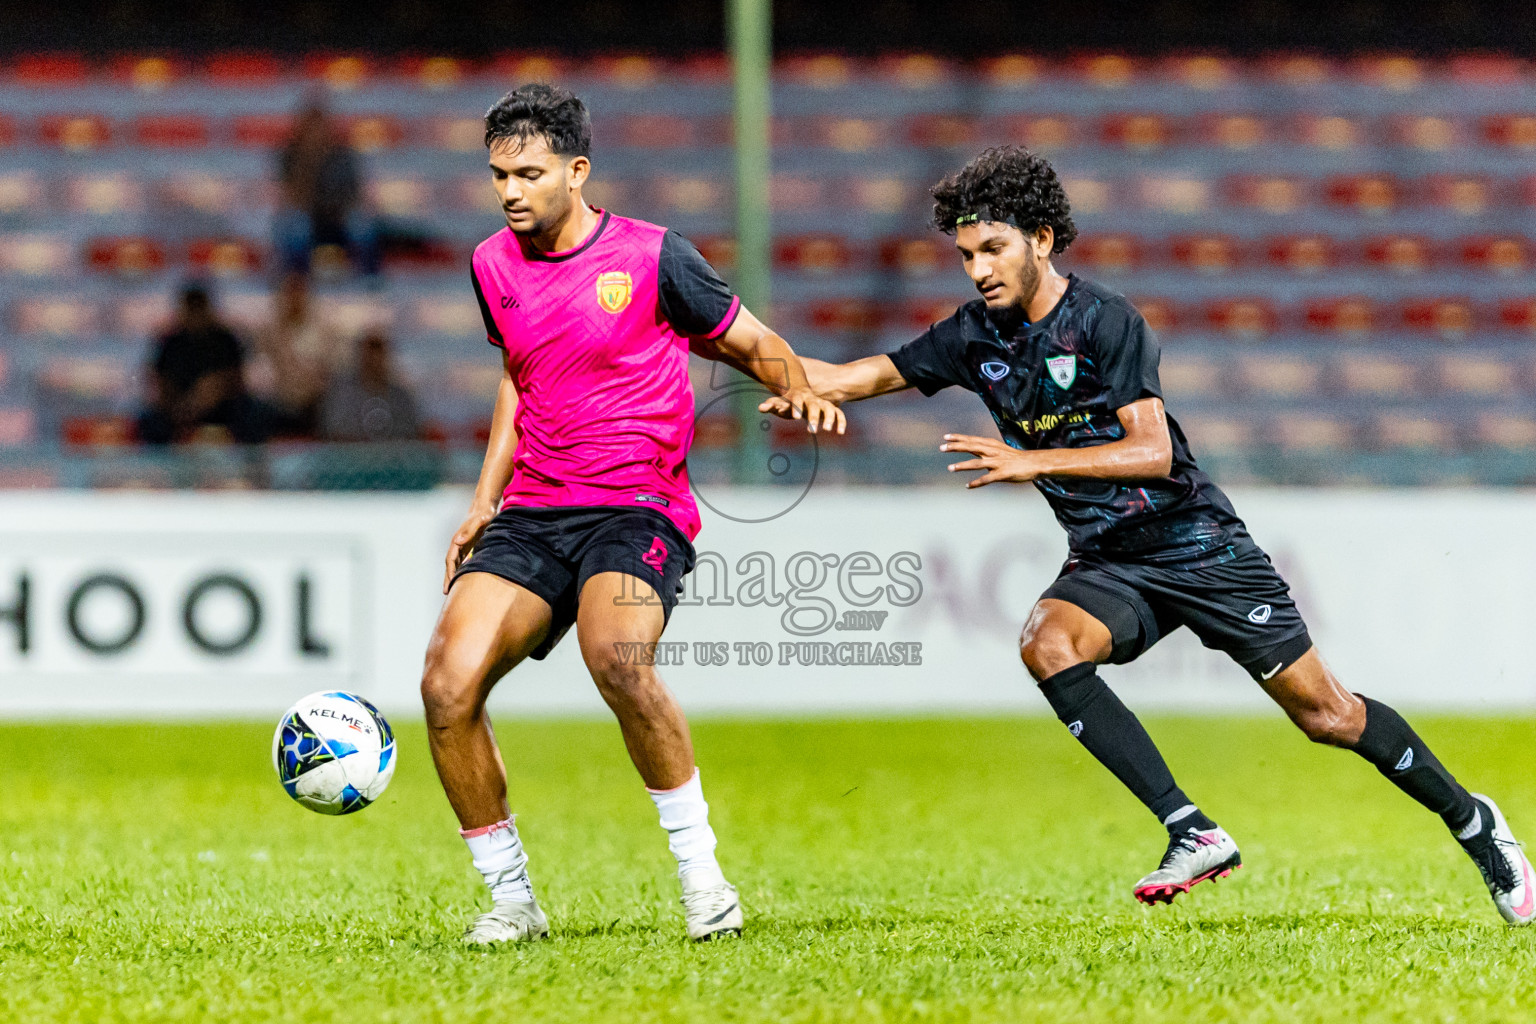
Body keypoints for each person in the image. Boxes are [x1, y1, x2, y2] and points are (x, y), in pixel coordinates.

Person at [801, 146, 1533, 924]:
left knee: (1328, 716)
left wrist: (1031, 461)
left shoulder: (1105, 320)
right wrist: (730, 351)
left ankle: (1473, 820)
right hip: (1112, 562)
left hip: (1197, 545)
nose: (978, 270)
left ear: (1042, 239)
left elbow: (1151, 452)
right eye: (966, 255)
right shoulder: (973, 338)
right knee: (1048, 643)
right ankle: (1192, 829)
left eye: (993, 249)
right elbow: (852, 377)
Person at [422, 84, 843, 946]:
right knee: (445, 685)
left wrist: (798, 387)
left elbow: (747, 337)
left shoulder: (655, 257)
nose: (510, 191)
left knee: (615, 656)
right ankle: (512, 901)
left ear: (576, 172)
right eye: (498, 174)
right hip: (535, 509)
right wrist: (483, 497)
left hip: (637, 504)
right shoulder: (489, 264)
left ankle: (704, 882)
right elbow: (519, 373)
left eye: (529, 173)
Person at [137, 282, 268, 445]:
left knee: (254, 412)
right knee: (151, 421)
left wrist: (214, 390)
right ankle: (162, 465)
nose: (196, 315)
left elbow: (237, 379)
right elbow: (161, 381)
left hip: (222, 407)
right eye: (191, 309)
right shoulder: (170, 341)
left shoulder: (225, 338)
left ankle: (250, 464)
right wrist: (183, 405)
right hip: (180, 407)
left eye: (199, 308)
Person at [274, 100, 379, 277]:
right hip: (309, 218)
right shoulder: (290, 156)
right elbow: (291, 198)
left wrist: (339, 211)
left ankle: (369, 279)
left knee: (361, 224)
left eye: (320, 128)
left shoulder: (343, 155)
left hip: (339, 219)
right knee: (293, 224)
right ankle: (297, 281)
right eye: (311, 129)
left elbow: (354, 194)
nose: (316, 134)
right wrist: (309, 163)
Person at [251, 272, 343, 437]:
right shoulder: (268, 333)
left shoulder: (322, 332)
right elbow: (260, 373)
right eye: (289, 293)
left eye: (298, 293)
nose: (293, 299)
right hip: (277, 404)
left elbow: (324, 373)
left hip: (314, 404)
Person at [319, 330, 423, 442]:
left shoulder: (401, 397)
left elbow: (409, 434)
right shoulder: (341, 394)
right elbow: (335, 432)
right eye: (369, 359)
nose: (374, 363)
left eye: (378, 357)